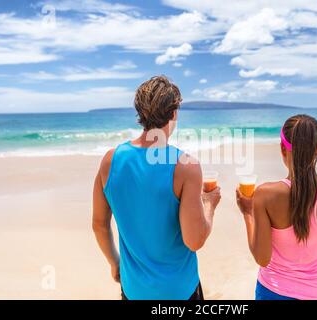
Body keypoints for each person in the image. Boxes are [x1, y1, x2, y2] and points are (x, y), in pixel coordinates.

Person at [92, 75, 221, 300]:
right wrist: (209, 205)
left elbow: (99, 225)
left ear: (140, 113)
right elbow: (195, 240)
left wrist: (114, 263)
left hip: (134, 291)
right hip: (179, 291)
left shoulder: (110, 161)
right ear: (173, 114)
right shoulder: (185, 167)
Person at [236, 114, 317, 300]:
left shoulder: (265, 194)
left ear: (282, 148)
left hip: (272, 292)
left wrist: (247, 213)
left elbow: (262, 258)